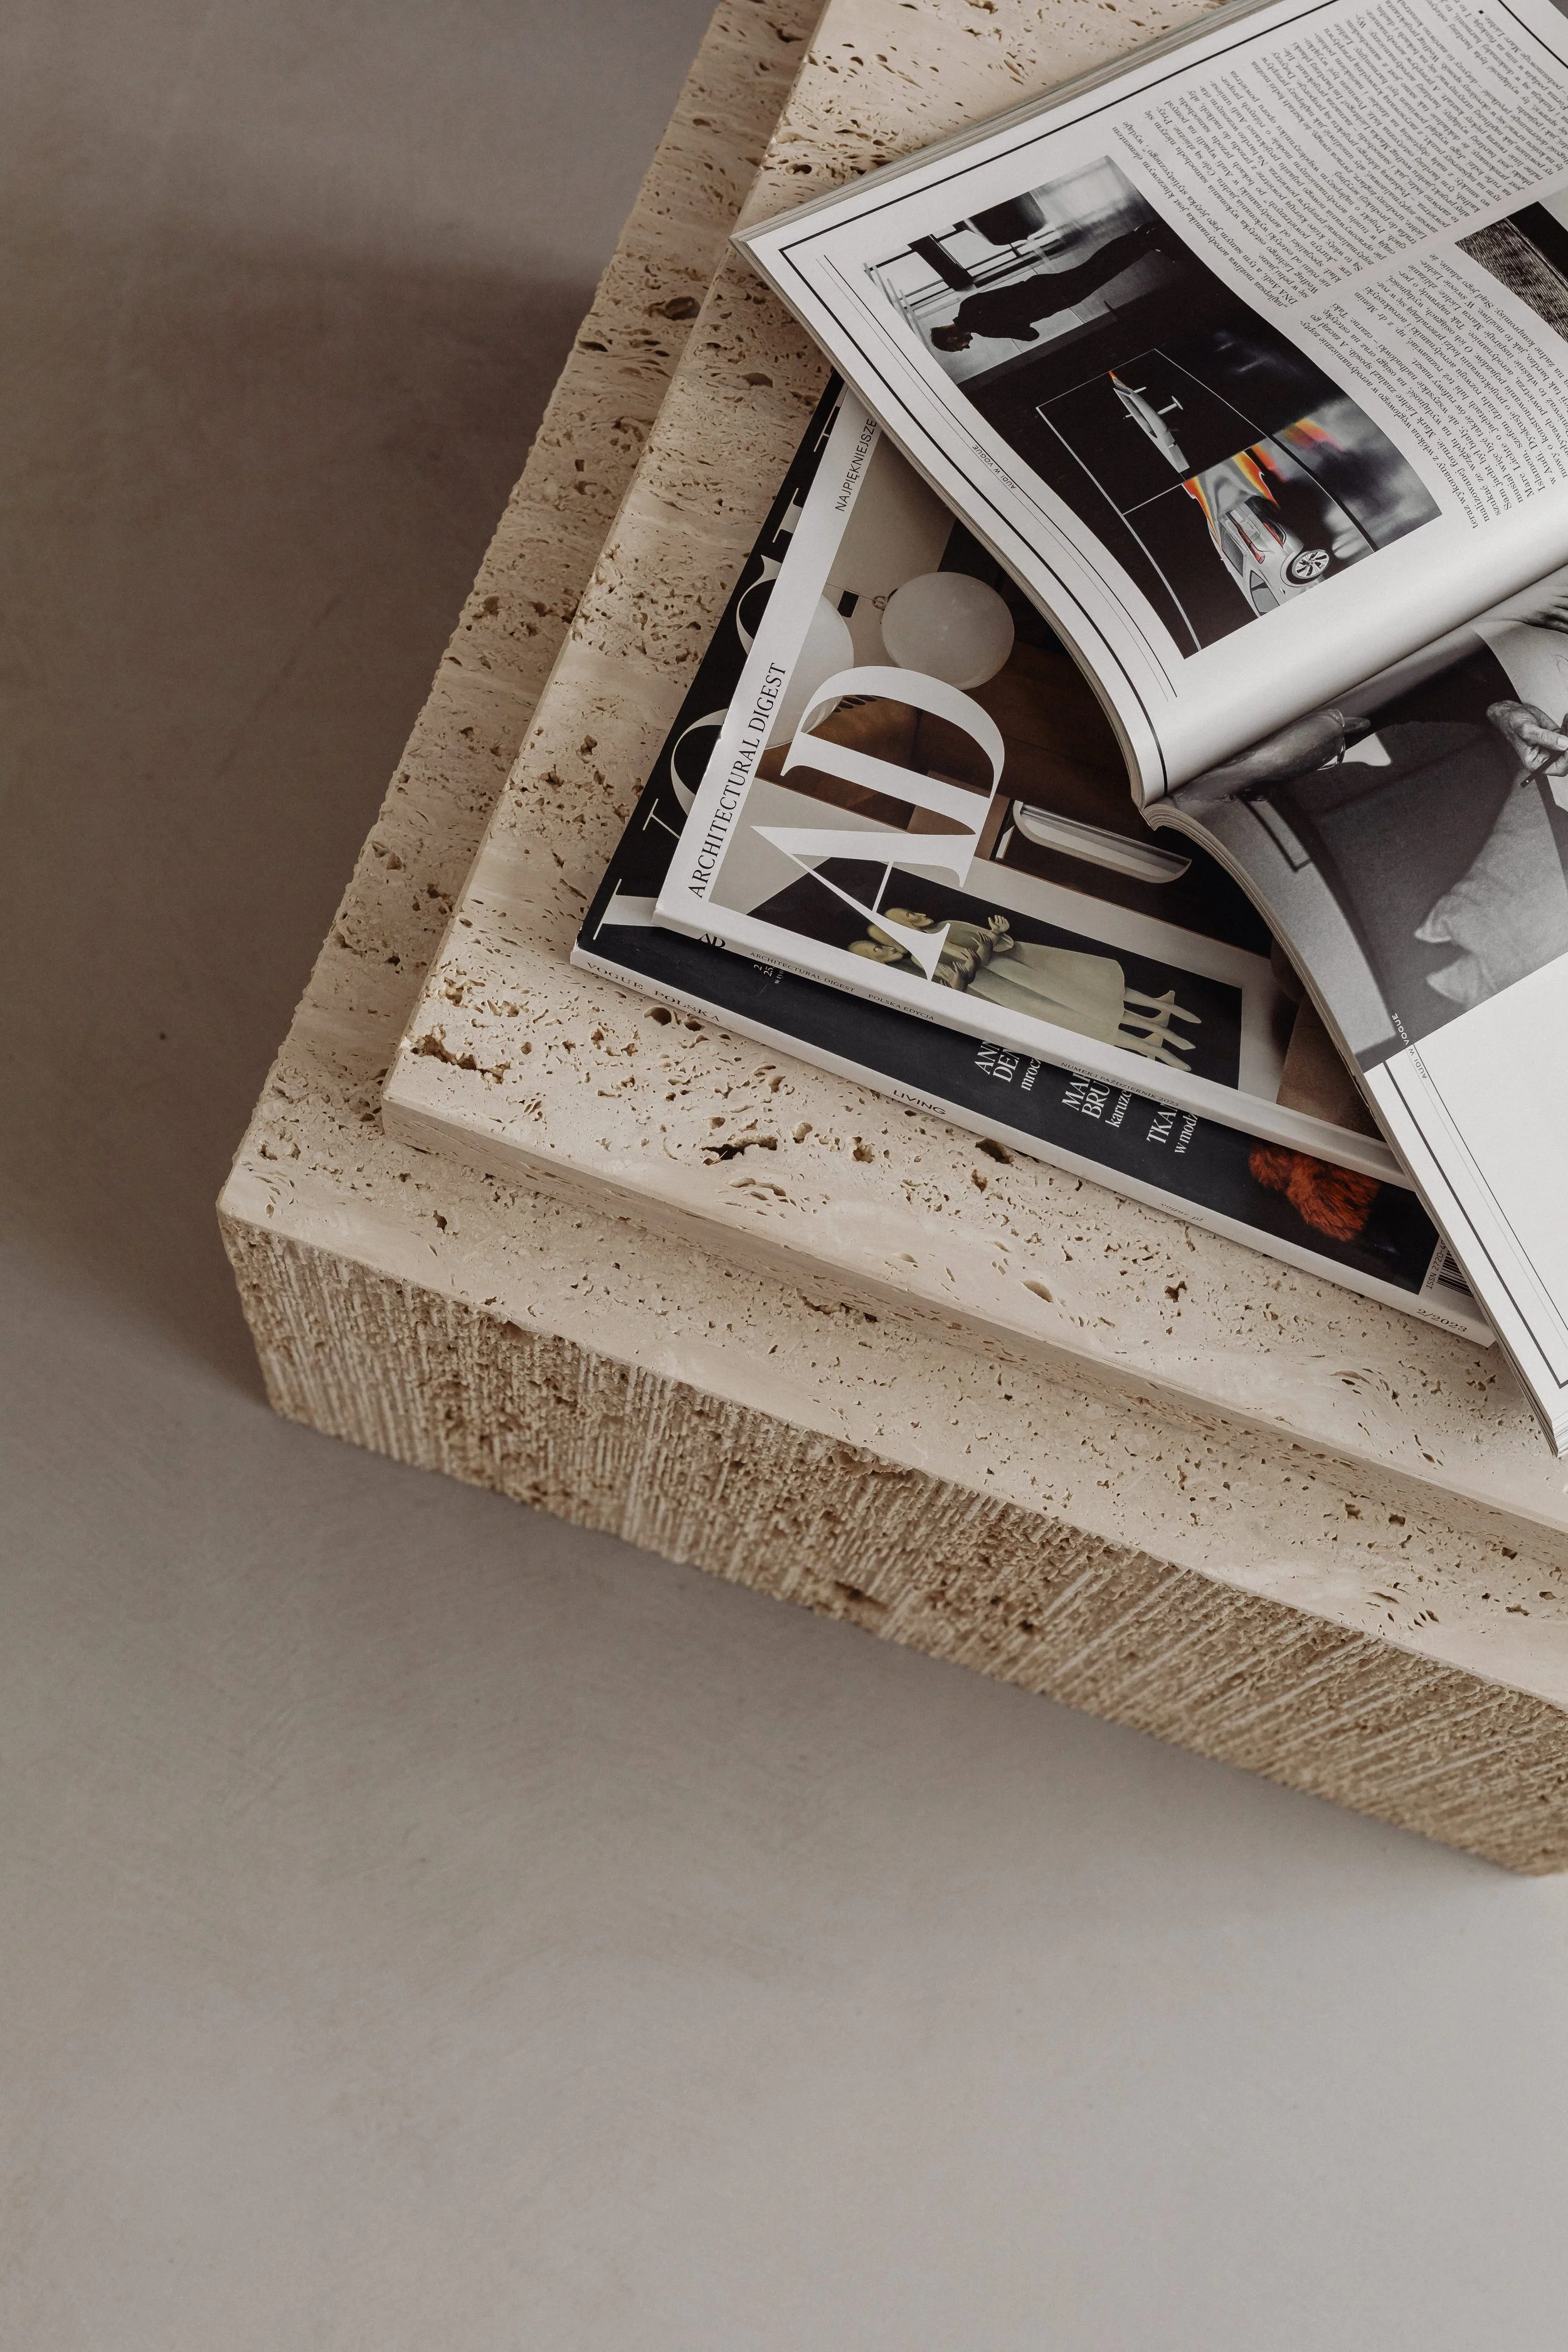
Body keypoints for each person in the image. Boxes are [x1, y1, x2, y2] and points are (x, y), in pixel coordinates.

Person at [928, 220, 1182, 353]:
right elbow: (1007, 296)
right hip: (1043, 287)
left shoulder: (986, 329)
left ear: (951, 337)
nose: (966, 346)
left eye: (959, 347)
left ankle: (1146, 239)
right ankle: (1141, 238)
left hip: (1057, 298)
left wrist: (1018, 328)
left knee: (1104, 270)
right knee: (1097, 267)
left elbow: (1030, 335)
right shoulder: (968, 305)